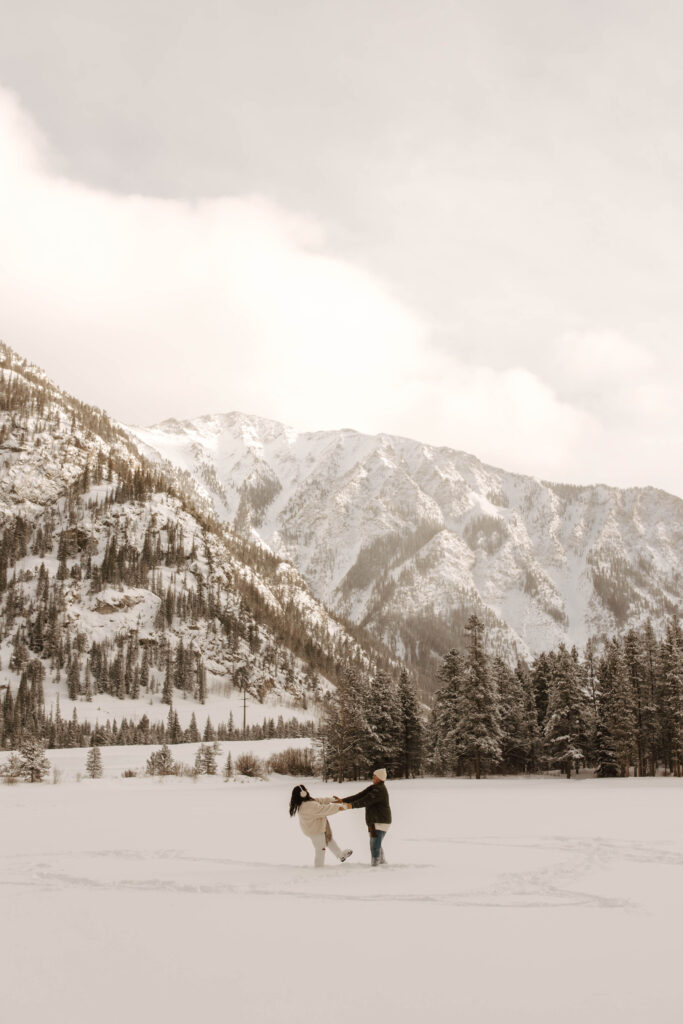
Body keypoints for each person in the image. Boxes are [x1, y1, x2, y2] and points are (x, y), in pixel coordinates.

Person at [289, 784, 353, 867]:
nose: (307, 791)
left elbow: (319, 800)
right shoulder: (308, 806)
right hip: (315, 831)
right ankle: (318, 868)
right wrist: (341, 807)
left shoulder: (307, 802)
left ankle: (341, 856)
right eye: (306, 790)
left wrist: (332, 800)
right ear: (303, 793)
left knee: (329, 840)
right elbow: (324, 809)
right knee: (320, 849)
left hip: (318, 826)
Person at [337, 768, 391, 866]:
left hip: (380, 821)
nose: (373, 777)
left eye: (374, 776)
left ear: (379, 778)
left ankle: (375, 865)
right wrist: (343, 801)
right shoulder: (373, 788)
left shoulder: (379, 789)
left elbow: (365, 801)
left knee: (375, 845)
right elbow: (359, 796)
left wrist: (350, 806)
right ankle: (382, 863)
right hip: (373, 821)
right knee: (375, 844)